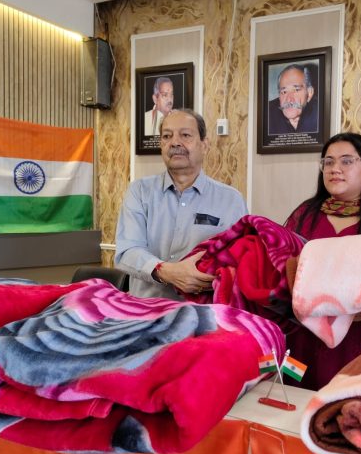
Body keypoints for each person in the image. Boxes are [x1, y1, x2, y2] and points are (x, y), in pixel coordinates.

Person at [283, 132, 361, 389]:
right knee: (298, 410)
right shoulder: (304, 214)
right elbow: (286, 265)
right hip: (308, 333)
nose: (335, 169)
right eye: (328, 162)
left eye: (346, 161)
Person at [116, 108, 247, 299]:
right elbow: (127, 252)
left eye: (185, 135)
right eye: (167, 136)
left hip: (206, 317)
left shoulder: (231, 200)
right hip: (146, 313)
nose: (175, 142)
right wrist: (167, 272)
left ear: (204, 145)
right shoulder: (139, 192)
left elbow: (241, 261)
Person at [267, 64, 318, 134]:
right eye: (284, 92)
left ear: (309, 93)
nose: (289, 99)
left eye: (296, 90)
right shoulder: (267, 114)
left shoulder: (322, 115)